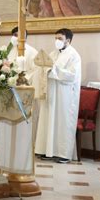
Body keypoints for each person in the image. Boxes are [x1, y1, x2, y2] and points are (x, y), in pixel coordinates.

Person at [0, 27, 40, 174]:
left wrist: (23, 78)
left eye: (21, 35)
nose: (17, 38)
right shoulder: (7, 51)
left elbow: (36, 70)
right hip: (8, 91)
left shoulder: (32, 52)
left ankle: (22, 152)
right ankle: (3, 150)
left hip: (23, 91)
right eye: (15, 35)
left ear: (26, 37)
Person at [35, 28, 81, 163]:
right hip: (51, 93)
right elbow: (45, 68)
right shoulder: (53, 54)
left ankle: (63, 154)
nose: (57, 41)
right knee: (48, 121)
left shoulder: (74, 55)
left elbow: (72, 75)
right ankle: (47, 151)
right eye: (56, 38)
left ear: (68, 40)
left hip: (65, 95)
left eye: (60, 38)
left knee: (62, 123)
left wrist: (54, 70)